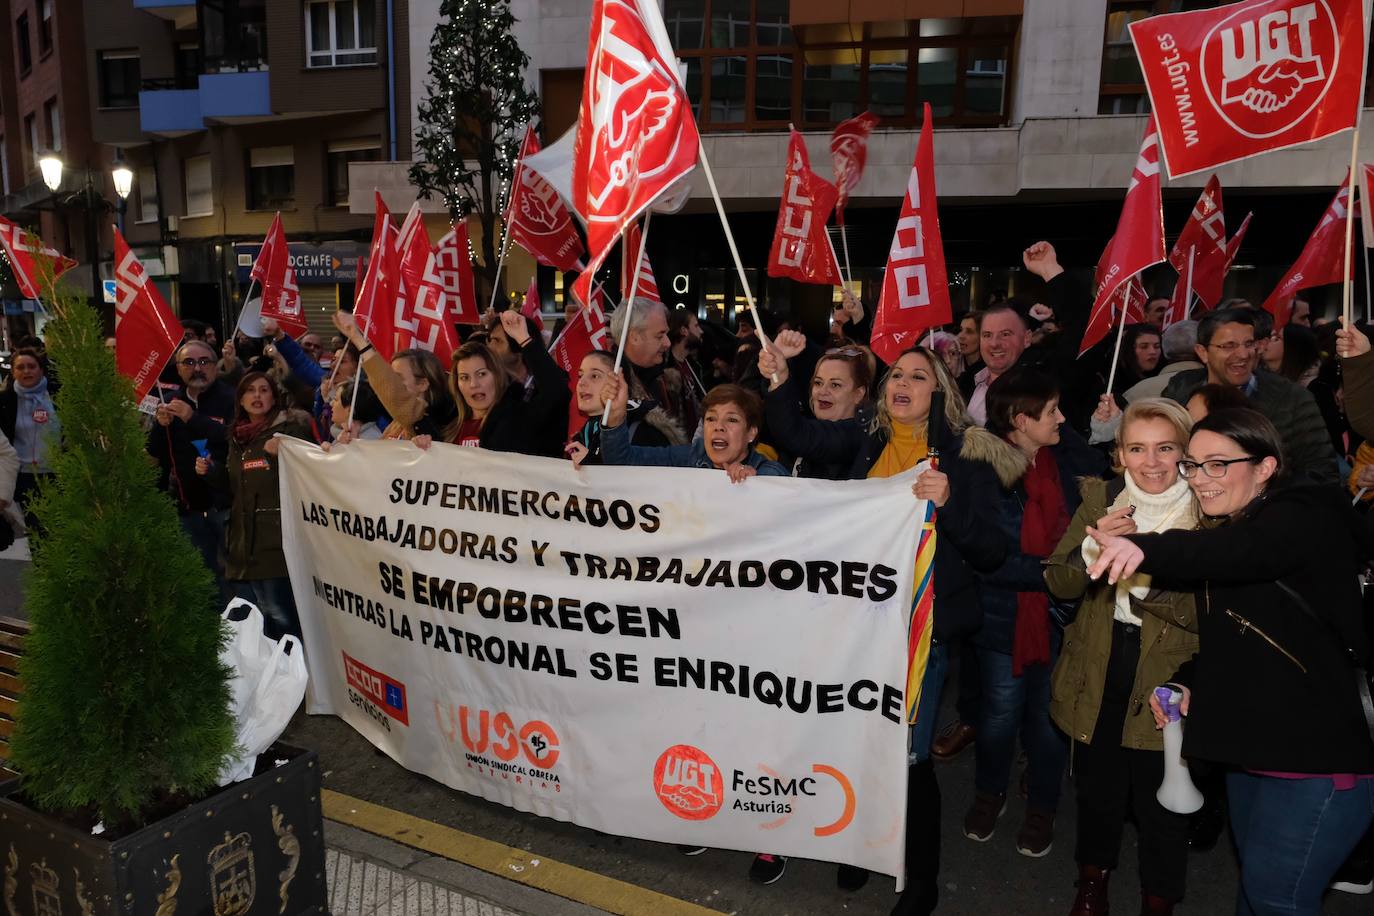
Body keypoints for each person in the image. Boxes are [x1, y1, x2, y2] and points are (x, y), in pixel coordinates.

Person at [1085, 408, 1374, 916]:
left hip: (1321, 756)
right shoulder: (1238, 523)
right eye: (1194, 466)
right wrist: (1191, 681)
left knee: (1276, 899)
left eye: (1217, 464)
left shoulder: (1303, 511)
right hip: (1255, 746)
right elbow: (1240, 635)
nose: (1199, 478)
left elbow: (1236, 552)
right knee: (1255, 893)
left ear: (1265, 466)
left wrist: (1144, 547)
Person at [761, 333, 1005, 914]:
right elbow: (797, 434)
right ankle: (859, 847)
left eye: (918, 377)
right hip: (856, 627)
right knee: (857, 741)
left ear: (940, 394)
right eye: (896, 375)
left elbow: (992, 549)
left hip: (921, 632)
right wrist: (778, 379)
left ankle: (919, 884)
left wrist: (949, 505)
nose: (902, 384)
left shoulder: (967, 455)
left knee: (910, 757)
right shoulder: (864, 439)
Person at [1046, 399, 1200, 916]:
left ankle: (1159, 901)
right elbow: (1058, 582)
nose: (1151, 462)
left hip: (1172, 668)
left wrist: (1143, 569)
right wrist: (1094, 552)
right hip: (1102, 658)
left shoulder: (1209, 510)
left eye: (1165, 448)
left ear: (1185, 452)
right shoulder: (1103, 498)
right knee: (1098, 788)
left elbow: (1208, 616)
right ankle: (1092, 882)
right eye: (1137, 448)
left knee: (1165, 801)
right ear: (1120, 454)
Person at [963, 367, 1108, 858]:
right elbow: (986, 556)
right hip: (1003, 620)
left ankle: (1042, 806)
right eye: (1051, 412)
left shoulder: (1066, 459)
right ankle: (990, 794)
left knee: (1050, 722)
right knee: (999, 716)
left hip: (1062, 620)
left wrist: (1109, 432)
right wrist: (1054, 576)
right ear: (1021, 421)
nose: (1063, 418)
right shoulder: (981, 472)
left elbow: (1104, 499)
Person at [196, 372, 316, 639]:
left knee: (283, 624)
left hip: (276, 545)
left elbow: (312, 473)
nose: (257, 396)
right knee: (257, 625)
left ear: (274, 396)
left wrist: (286, 453)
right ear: (241, 399)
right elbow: (234, 489)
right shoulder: (237, 437)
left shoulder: (290, 430)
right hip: (242, 548)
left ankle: (294, 678)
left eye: (264, 390)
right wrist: (212, 473)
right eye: (250, 391)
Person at [1161, 308, 1339, 484]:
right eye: (1229, 346)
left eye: (1249, 344)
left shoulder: (1292, 398)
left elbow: (1321, 473)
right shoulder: (1180, 390)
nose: (1243, 354)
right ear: (1202, 352)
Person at [146, 339, 235, 599]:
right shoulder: (171, 401)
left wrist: (192, 418)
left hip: (227, 508)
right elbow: (156, 454)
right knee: (202, 581)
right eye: (189, 362)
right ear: (178, 368)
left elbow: (235, 437)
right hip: (189, 509)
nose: (198, 368)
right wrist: (161, 427)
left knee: (234, 582)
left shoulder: (231, 398)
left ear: (216, 365)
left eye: (204, 361)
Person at [600, 377, 784, 479]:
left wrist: (758, 483)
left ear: (751, 432)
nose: (718, 427)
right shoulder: (690, 457)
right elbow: (621, 462)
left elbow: (789, 493)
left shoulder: (768, 471)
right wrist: (615, 416)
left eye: (732, 420)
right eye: (711, 418)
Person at [444, 313, 571, 452]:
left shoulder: (516, 417)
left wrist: (524, 339)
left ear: (497, 377)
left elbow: (556, 393)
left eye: (481, 374)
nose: (473, 384)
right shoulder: (449, 422)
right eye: (464, 377)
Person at [333, 310, 460, 442]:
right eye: (390, 375)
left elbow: (393, 393)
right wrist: (355, 443)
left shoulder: (429, 421)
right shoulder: (396, 424)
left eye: (397, 378)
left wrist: (357, 338)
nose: (391, 382)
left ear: (422, 384)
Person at [484, 308, 572, 457]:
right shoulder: (491, 388)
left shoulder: (545, 386)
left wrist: (523, 337)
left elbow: (557, 392)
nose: (489, 348)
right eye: (489, 340)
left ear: (519, 350)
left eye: (497, 341)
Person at [607, 298, 688, 444]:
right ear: (634, 337)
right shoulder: (611, 389)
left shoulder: (665, 381)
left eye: (667, 334)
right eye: (659, 335)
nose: (668, 343)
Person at [0, 348, 59, 530]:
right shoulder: (5, 401)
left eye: (32, 366)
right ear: (13, 372)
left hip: (58, 474)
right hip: (24, 476)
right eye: (21, 367)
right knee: (37, 530)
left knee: (60, 528)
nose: (27, 371)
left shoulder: (58, 395)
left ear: (41, 370)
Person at [1124, 321, 1201, 404]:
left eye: (1157, 346)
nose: (1152, 352)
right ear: (1129, 350)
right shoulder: (1119, 386)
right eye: (1144, 346)